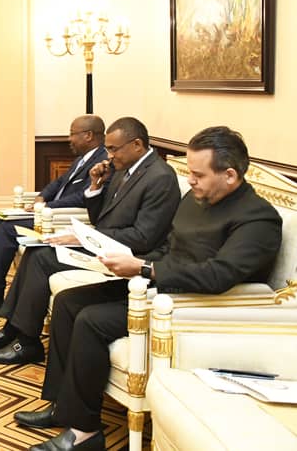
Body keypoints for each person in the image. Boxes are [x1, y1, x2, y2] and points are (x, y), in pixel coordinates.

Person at [16, 126, 282, 451]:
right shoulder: (196, 198)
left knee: (91, 320)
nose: (190, 180)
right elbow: (170, 247)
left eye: (198, 174)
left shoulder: (258, 219)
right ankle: (63, 407)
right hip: (158, 287)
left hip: (193, 306)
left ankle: (84, 432)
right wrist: (122, 259)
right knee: (69, 301)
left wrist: (145, 269)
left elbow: (219, 275)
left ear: (229, 175)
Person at [0, 117, 181, 365]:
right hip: (101, 244)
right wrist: (95, 187)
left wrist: (87, 238)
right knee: (37, 252)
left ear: (137, 145)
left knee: (42, 260)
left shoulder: (160, 177)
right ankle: (12, 331)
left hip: (125, 256)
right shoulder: (122, 169)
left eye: (113, 149)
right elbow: (100, 217)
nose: (109, 155)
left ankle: (27, 341)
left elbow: (144, 237)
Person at [0, 115, 108, 319]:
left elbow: (83, 197)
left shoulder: (102, 161)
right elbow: (59, 182)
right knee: (1, 222)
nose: (69, 139)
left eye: (73, 134)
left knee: (7, 229)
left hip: (63, 219)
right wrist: (42, 197)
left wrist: (46, 206)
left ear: (88, 135)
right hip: (49, 213)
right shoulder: (84, 158)